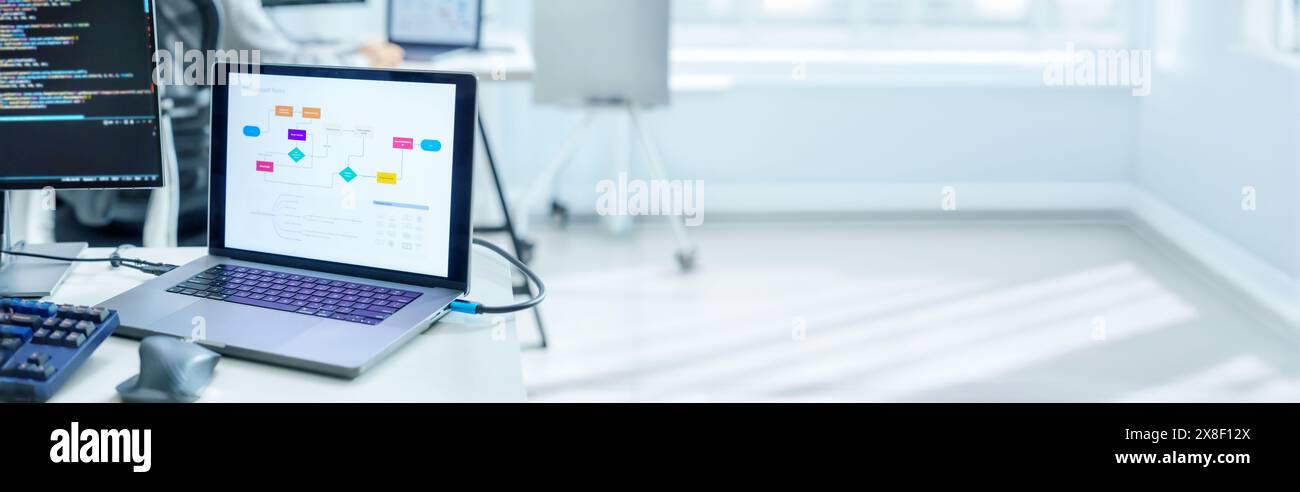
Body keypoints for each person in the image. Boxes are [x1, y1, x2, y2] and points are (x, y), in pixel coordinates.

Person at [217, 0, 404, 67]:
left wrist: (357, 46)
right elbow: (276, 62)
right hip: (210, 114)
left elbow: (284, 47)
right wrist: (364, 62)